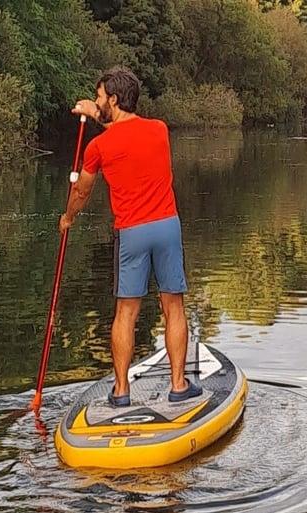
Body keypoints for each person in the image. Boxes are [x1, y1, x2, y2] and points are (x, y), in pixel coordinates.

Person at [60, 66, 201, 407]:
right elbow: (125, 129)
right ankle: (179, 385)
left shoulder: (98, 147)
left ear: (113, 98)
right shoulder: (159, 130)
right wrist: (97, 113)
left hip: (132, 233)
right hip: (167, 227)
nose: (96, 101)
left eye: (99, 97)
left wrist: (68, 217)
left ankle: (121, 391)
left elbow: (81, 191)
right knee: (174, 307)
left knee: (126, 312)